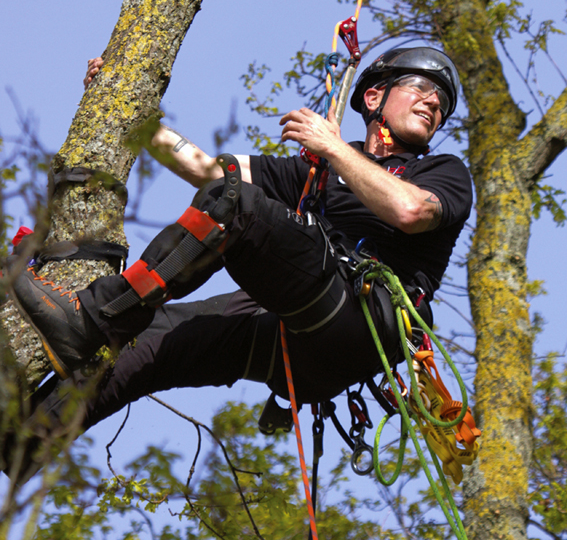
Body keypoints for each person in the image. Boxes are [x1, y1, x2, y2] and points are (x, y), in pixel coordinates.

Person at [3, 47, 472, 483]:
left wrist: (333, 148)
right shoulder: (317, 175)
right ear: (374, 96)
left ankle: (93, 317)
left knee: (239, 206)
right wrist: (127, 109)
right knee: (145, 344)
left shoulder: (441, 171)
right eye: (423, 87)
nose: (435, 102)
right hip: (294, 339)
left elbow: (411, 211)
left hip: (362, 322)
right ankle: (25, 441)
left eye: (443, 101)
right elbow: (211, 174)